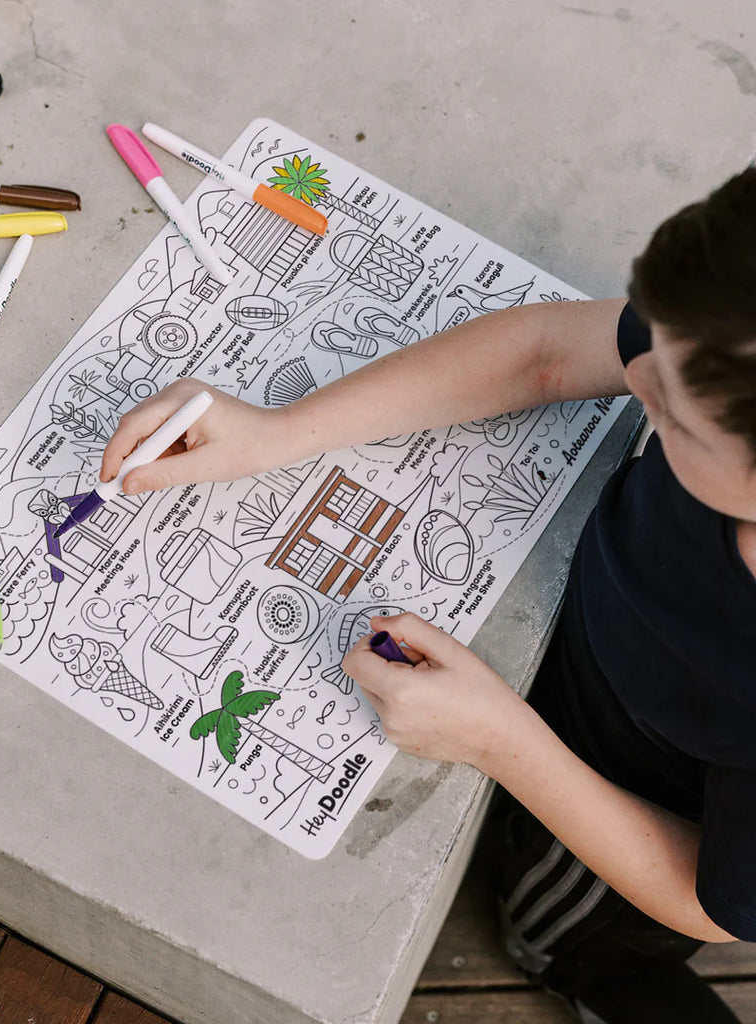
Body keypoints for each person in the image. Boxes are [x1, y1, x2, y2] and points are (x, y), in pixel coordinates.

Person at [101, 167, 756, 1022]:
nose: (636, 383)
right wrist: (280, 433)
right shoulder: (726, 322)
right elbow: (548, 353)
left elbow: (702, 897)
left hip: (632, 807)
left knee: (565, 932)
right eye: (653, 345)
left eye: (674, 415)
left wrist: (499, 741)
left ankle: (594, 977)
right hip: (594, 642)